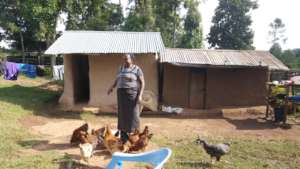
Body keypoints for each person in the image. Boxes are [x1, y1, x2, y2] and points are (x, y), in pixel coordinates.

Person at [107, 54, 145, 143]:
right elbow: (117, 79)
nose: (125, 60)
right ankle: (124, 137)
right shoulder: (120, 68)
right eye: (124, 58)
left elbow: (142, 82)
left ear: (132, 59)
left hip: (132, 94)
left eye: (126, 58)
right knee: (122, 114)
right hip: (121, 94)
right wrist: (112, 87)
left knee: (133, 114)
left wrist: (140, 95)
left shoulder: (137, 69)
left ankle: (134, 136)